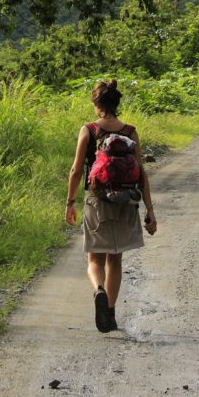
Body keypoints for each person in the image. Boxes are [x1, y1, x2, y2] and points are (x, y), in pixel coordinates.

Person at [65, 79, 157, 333]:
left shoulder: (89, 129)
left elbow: (75, 170)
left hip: (97, 201)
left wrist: (70, 202)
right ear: (116, 103)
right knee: (115, 259)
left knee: (94, 258)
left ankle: (98, 292)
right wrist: (150, 210)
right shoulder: (130, 131)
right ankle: (111, 313)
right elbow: (141, 173)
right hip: (126, 201)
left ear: (97, 104)